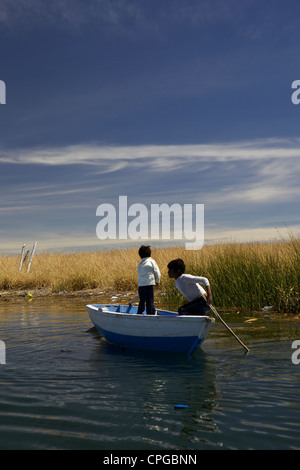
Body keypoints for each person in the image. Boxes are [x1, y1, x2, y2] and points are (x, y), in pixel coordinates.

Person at [137, 245, 161, 315]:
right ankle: (150, 314)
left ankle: (139, 313)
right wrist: (157, 281)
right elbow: (157, 272)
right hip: (149, 284)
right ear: (150, 253)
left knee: (142, 300)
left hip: (141, 286)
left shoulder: (140, 264)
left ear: (140, 255)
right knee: (149, 301)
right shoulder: (151, 261)